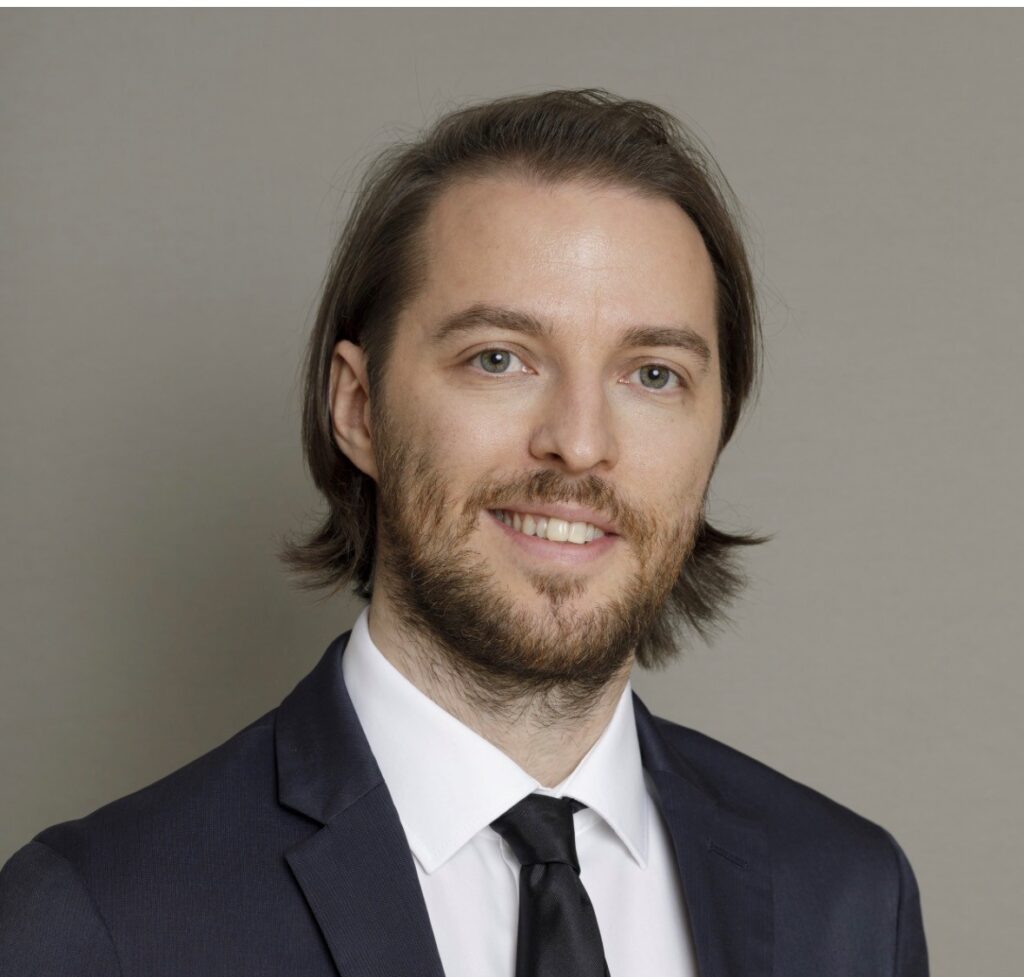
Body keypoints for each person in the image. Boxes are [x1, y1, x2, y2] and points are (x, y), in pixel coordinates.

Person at [0, 89, 929, 976]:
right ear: (359, 407)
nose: (579, 443)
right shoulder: (100, 918)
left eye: (652, 374)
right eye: (499, 358)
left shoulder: (846, 897)